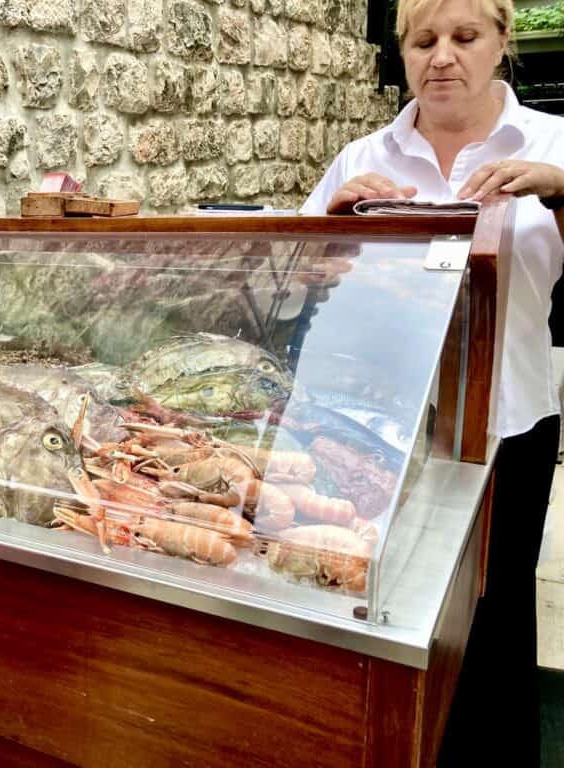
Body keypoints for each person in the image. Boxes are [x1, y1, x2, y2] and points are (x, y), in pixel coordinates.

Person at [301, 0, 564, 763]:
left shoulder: (553, 144)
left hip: (507, 421)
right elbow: (296, 288)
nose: (441, 56)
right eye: (423, 40)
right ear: (404, 54)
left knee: (495, 610)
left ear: (501, 42)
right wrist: (333, 235)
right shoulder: (358, 158)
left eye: (464, 36)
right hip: (377, 425)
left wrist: (559, 188)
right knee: (381, 602)